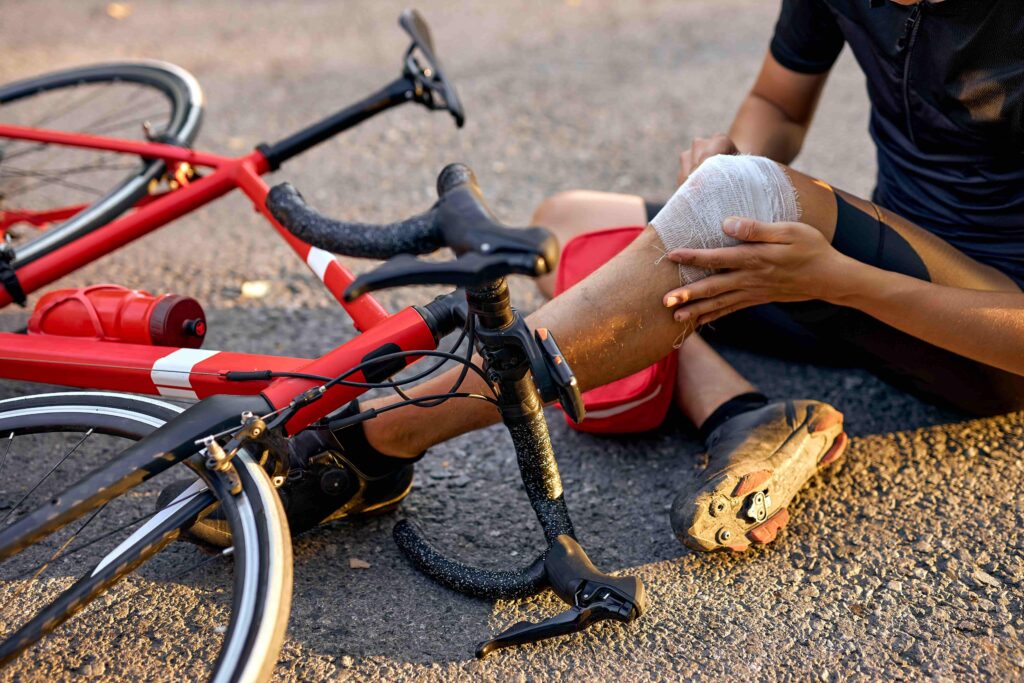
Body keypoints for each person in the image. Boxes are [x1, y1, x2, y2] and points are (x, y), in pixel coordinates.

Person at [178, 0, 1024, 552]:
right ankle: (745, 413)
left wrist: (842, 279)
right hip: (850, 279)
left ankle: (375, 440)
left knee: (696, 220)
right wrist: (732, 165)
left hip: (978, 338)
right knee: (572, 217)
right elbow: (779, 103)